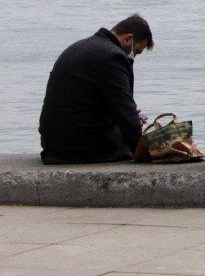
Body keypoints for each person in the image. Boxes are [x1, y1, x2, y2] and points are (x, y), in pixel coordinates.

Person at [39, 14, 154, 164]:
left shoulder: (79, 47)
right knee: (138, 133)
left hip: (53, 146)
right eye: (137, 51)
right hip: (79, 149)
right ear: (128, 40)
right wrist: (144, 153)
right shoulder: (114, 57)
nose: (134, 56)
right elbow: (126, 115)